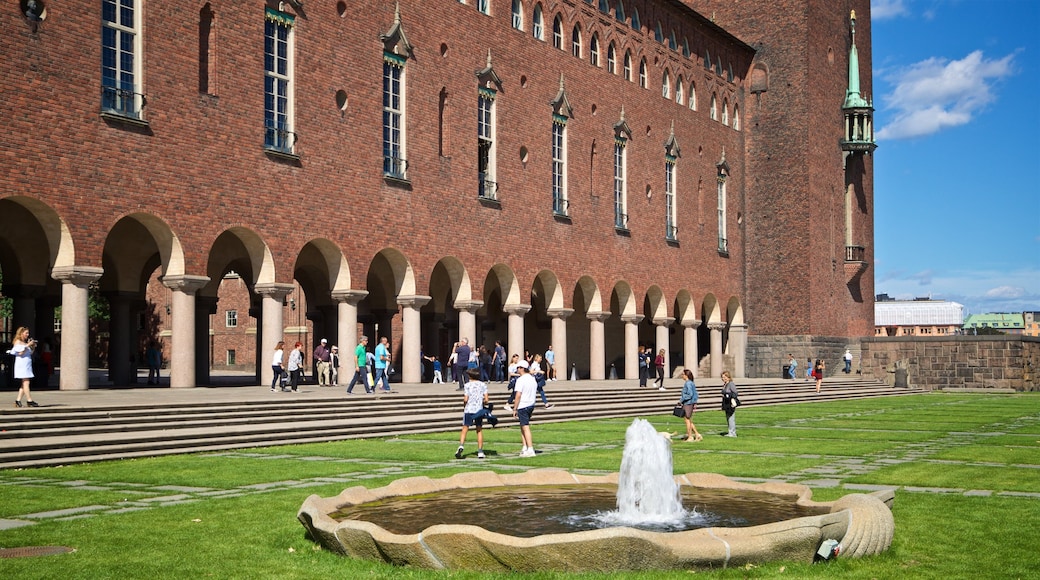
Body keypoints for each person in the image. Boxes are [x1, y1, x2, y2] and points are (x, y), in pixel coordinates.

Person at [455, 368, 498, 459]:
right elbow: (486, 399)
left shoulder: (467, 385)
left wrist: (464, 405)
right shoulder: (483, 385)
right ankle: (480, 451)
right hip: (478, 410)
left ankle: (461, 445)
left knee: (465, 428)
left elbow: (465, 399)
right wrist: (483, 403)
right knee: (479, 430)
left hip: (468, 410)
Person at [510, 360, 538, 457]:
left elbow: (518, 395)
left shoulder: (521, 380)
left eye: (518, 367)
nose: (517, 369)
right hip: (531, 404)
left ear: (522, 368)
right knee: (522, 426)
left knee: (525, 427)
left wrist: (515, 408)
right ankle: (525, 447)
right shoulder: (532, 378)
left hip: (523, 405)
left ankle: (530, 448)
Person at [9, 327, 39, 407]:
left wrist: (33, 347)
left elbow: (30, 353)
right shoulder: (17, 342)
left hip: (27, 364)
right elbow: (20, 353)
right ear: (21, 333)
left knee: (24, 383)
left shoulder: (24, 342)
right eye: (26, 333)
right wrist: (28, 345)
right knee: (26, 382)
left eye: (28, 333)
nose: (27, 335)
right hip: (21, 365)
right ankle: (29, 400)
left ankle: (18, 400)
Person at [678, 369, 702, 442]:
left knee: (687, 420)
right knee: (688, 420)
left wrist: (681, 400)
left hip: (688, 403)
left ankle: (690, 436)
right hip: (689, 403)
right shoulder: (691, 383)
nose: (682, 376)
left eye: (683, 374)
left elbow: (690, 394)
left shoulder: (688, 383)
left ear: (686, 375)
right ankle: (697, 435)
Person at [721, 370, 739, 437]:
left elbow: (735, 393)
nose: (723, 378)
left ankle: (733, 432)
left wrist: (730, 396)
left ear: (728, 377)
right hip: (726, 402)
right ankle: (730, 431)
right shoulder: (725, 384)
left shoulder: (731, 384)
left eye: (725, 377)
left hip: (730, 402)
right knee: (728, 418)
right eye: (722, 377)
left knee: (731, 418)